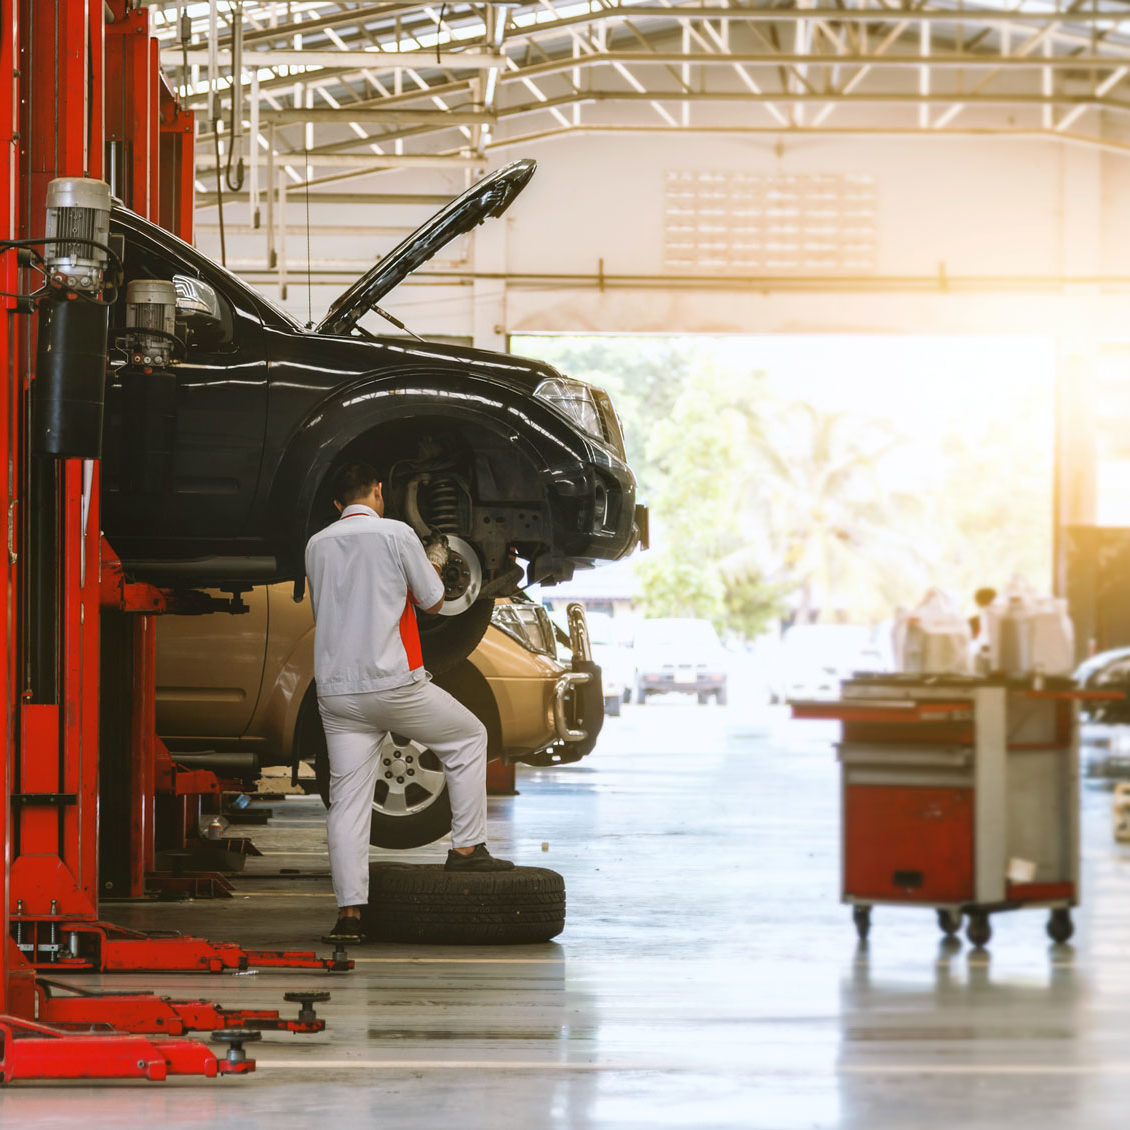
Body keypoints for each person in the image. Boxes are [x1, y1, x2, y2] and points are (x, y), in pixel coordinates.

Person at [305, 462, 514, 945]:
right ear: (378, 491)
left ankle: (350, 915)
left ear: (338, 505)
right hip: (393, 683)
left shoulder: (316, 545)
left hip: (337, 694)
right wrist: (436, 560)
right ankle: (466, 850)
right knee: (468, 737)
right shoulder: (396, 534)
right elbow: (435, 601)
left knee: (348, 802)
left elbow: (326, 608)